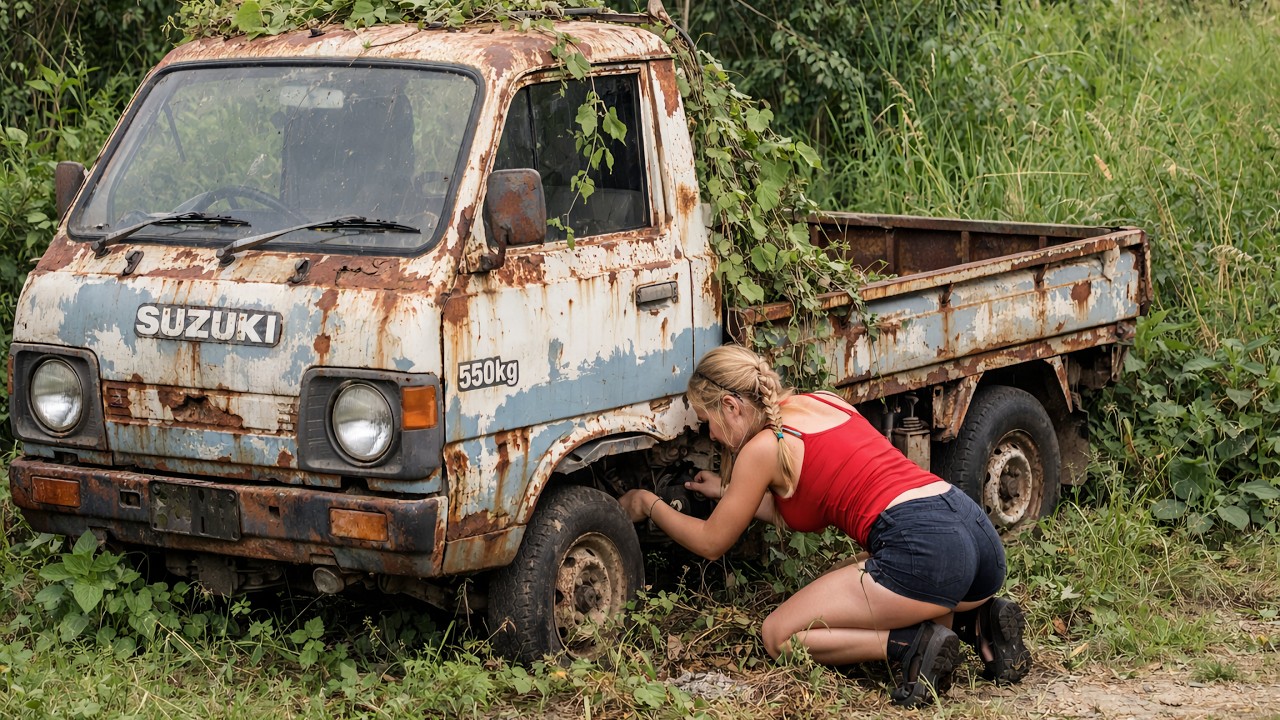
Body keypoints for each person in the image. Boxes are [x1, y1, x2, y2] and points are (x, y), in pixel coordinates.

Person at [619, 345, 1031, 706]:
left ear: (731, 406)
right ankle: (977, 623)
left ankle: (909, 644)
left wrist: (648, 503)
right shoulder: (824, 402)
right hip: (973, 534)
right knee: (867, 571)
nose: (709, 431)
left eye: (707, 417)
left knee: (778, 634)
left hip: (927, 550)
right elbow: (812, 493)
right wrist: (728, 492)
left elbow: (712, 542)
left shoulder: (763, 448)